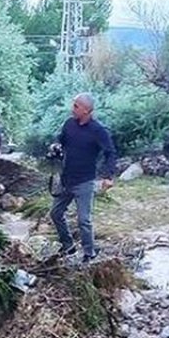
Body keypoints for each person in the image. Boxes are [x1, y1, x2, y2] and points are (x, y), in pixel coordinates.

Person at [49, 93, 117, 262]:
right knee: (56, 213)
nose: (72, 109)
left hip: (85, 181)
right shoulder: (69, 123)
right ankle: (68, 246)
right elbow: (61, 139)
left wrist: (108, 176)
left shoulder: (98, 130)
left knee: (84, 220)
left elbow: (110, 153)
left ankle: (89, 253)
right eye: (73, 105)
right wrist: (55, 145)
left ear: (87, 110)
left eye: (76, 106)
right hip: (66, 179)